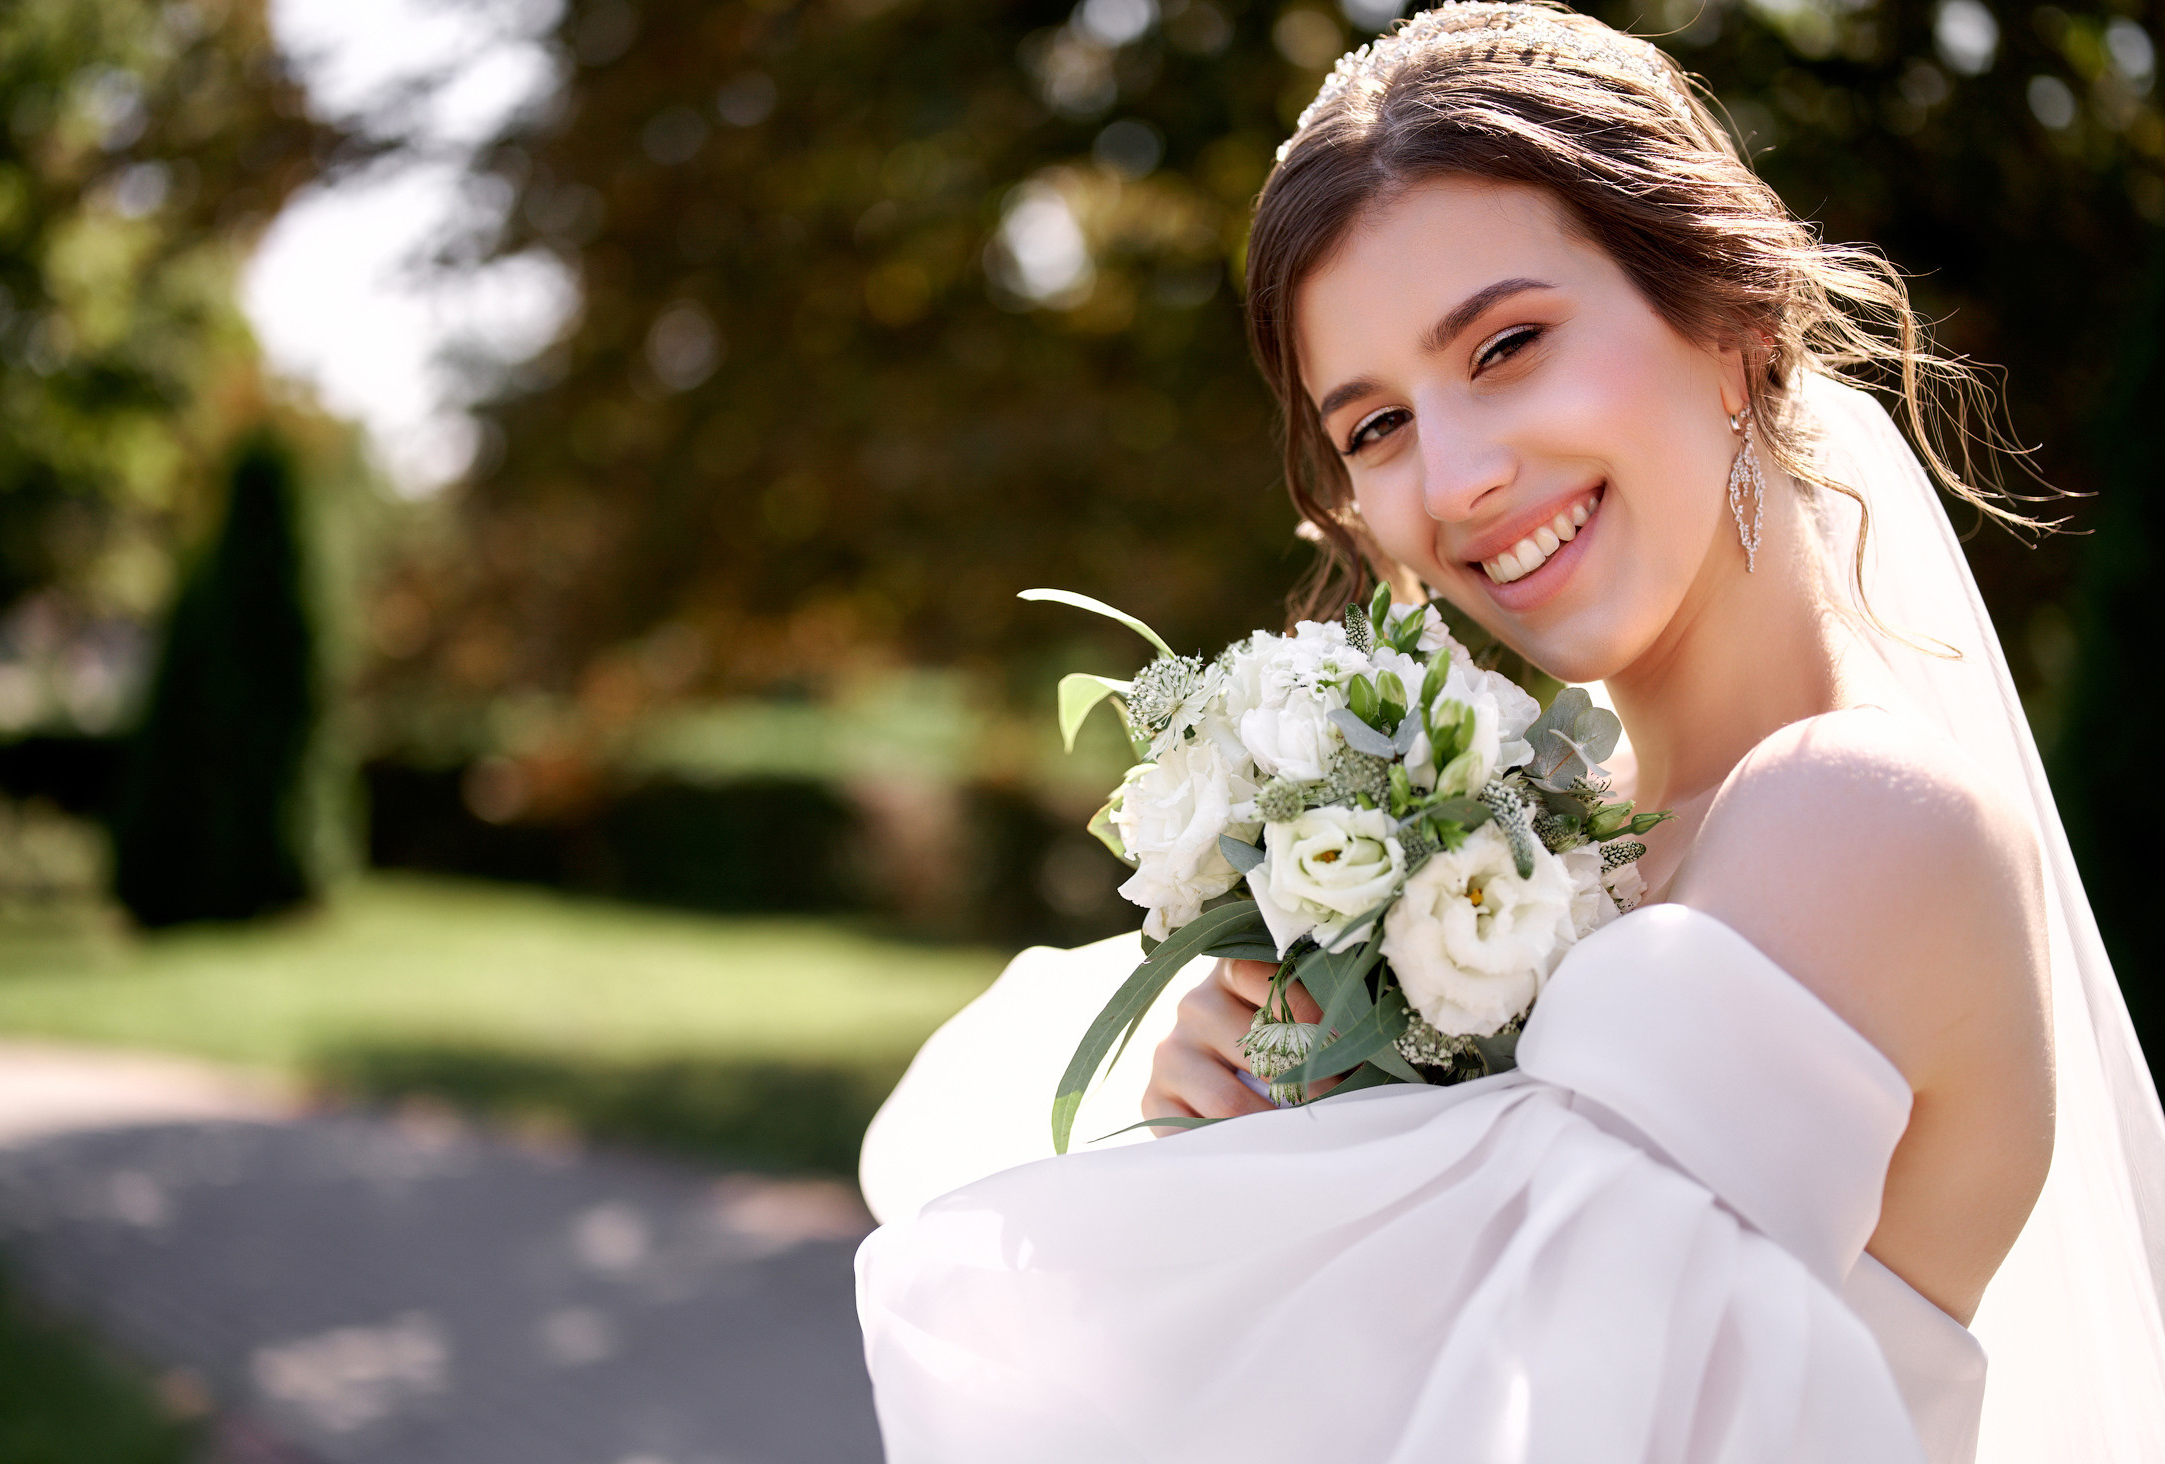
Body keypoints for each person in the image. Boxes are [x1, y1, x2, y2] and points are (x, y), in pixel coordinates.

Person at [853, 5, 2165, 1460]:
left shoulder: (1855, 820)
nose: (1459, 478)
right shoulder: (1546, 847)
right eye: (1376, 428)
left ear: (1730, 315)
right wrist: (1242, 1131)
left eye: (1508, 345)